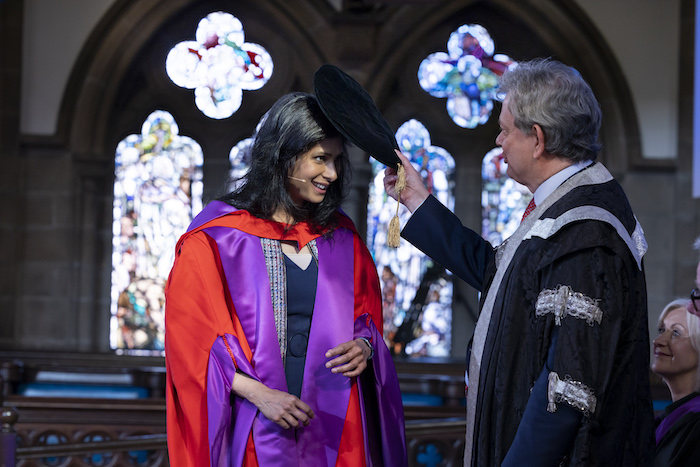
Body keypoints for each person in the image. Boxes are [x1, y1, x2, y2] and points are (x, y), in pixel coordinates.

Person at [384, 58, 654, 465]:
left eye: (505, 130)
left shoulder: (586, 230)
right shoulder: (561, 208)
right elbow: (500, 276)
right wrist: (416, 201)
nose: (498, 141)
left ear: (538, 139)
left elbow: (565, 390)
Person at [165, 92, 406, 466]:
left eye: (337, 160)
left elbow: (367, 319)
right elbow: (191, 346)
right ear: (284, 155)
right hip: (256, 423)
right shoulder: (216, 240)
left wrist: (365, 346)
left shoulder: (341, 237)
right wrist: (261, 395)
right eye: (320, 159)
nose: (333, 173)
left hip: (335, 424)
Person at [652, 292, 700, 463]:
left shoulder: (695, 425)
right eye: (662, 330)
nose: (658, 341)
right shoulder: (662, 421)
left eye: (676, 333)